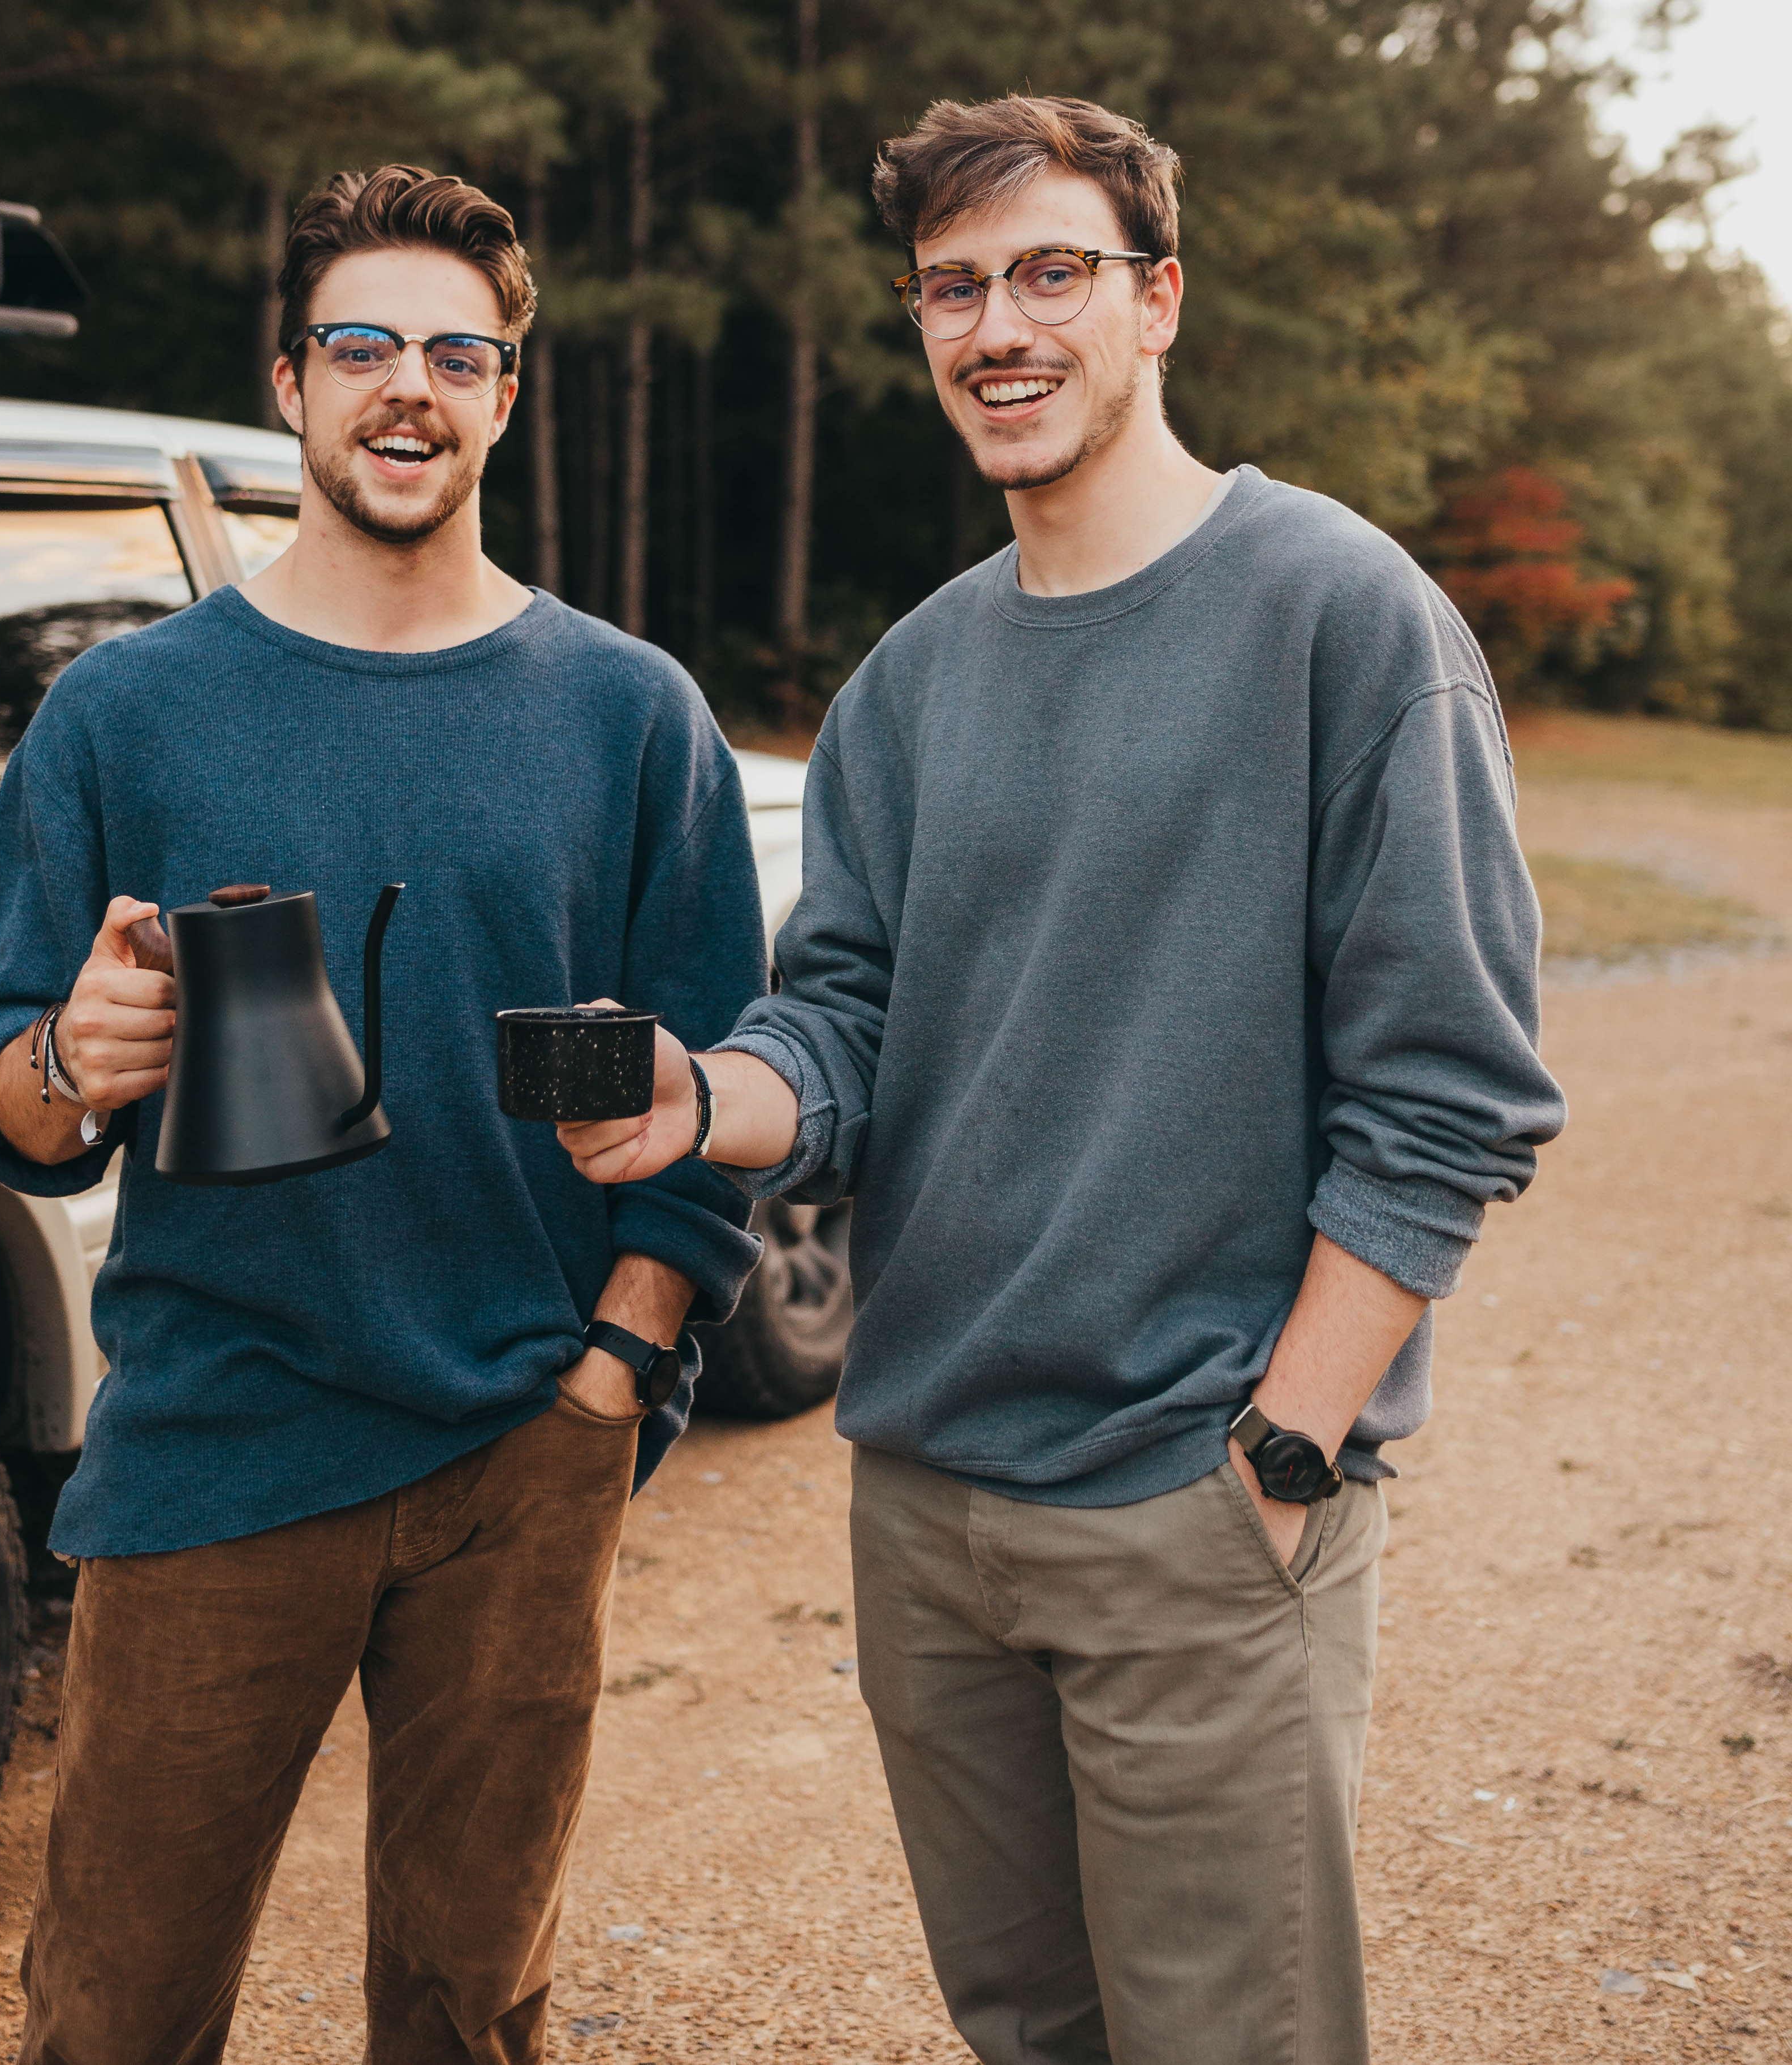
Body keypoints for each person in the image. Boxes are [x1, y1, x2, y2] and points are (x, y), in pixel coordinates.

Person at [556, 95, 1567, 2065]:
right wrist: (706, 1104)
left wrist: (1285, 1449)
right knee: (1031, 2028)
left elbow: (1449, 1094)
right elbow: (840, 1021)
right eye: (952, 288)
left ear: (1157, 300)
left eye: (1051, 275)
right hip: (929, 1508)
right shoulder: (911, 683)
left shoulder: (1344, 620)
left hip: (1200, 1495)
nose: (997, 327)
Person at [0, 165, 765, 2065]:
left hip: (522, 1456)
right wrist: (78, 1055)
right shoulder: (134, 713)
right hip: (219, 1444)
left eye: (458, 354)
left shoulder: (626, 716)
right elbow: (3, 1088)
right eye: (364, 346)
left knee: (469, 2017)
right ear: (289, 383)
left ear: (507, 397)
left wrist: (615, 1376)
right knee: (114, 2016)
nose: (411, 387)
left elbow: (696, 1081)